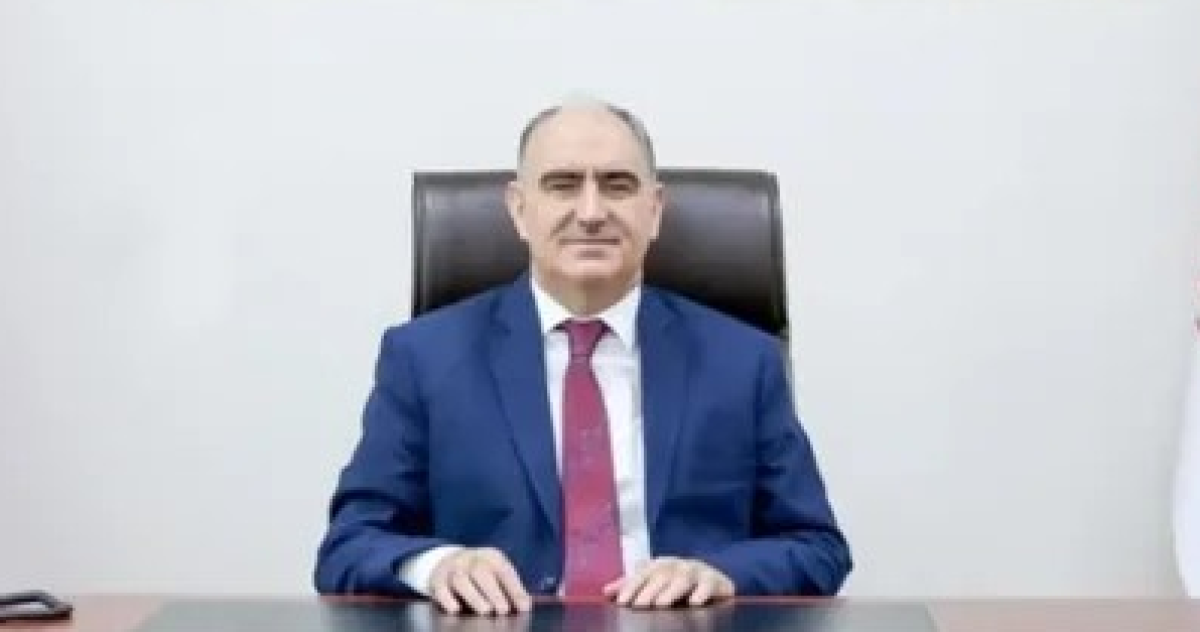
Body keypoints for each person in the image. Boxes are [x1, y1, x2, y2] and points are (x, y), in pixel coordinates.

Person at [313, 97, 852, 615]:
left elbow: (818, 547)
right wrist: (438, 566)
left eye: (617, 185)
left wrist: (721, 574)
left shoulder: (742, 361)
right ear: (519, 210)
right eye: (562, 185)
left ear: (654, 209)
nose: (591, 213)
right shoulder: (425, 358)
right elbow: (349, 544)